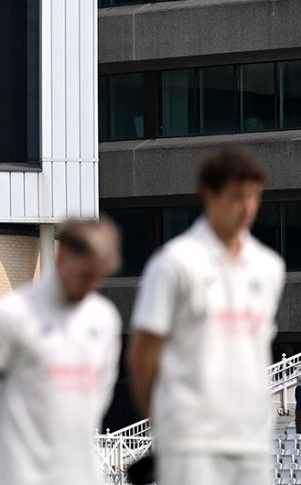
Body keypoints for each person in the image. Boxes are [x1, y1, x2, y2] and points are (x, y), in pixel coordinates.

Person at [128, 147, 285, 485]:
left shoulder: (269, 267)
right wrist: (164, 422)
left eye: (254, 196)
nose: (247, 208)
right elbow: (142, 354)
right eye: (236, 197)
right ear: (208, 195)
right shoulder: (174, 264)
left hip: (252, 442)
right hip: (191, 441)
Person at [0, 219, 123, 485]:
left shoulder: (105, 319)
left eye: (98, 277)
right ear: (62, 256)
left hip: (82, 474)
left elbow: (100, 391)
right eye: (85, 275)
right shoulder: (9, 313)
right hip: (20, 474)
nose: (91, 286)